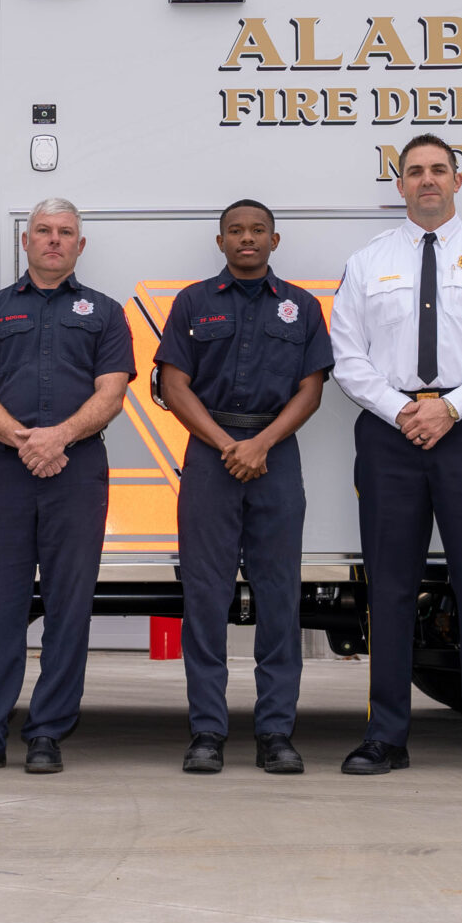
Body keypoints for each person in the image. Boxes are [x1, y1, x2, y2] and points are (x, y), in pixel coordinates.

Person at [330, 133, 462, 780]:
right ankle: (385, 735)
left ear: (458, 178)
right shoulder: (367, 262)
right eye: (414, 171)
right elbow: (348, 356)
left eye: (438, 169)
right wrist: (403, 410)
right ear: (399, 184)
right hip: (391, 433)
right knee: (389, 587)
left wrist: (450, 407)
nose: (427, 180)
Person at [0, 199, 135, 775]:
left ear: (81, 246)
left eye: (66, 233)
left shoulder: (105, 313)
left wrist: (58, 440)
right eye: (44, 232)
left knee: (68, 607)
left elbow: (112, 393)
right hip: (9, 472)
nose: (54, 240)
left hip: (77, 473)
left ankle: (48, 733)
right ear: (25, 242)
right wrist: (26, 441)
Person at [153, 200, 332, 775]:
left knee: (279, 598)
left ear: (274, 241)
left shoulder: (300, 307)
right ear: (220, 240)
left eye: (257, 231)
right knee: (205, 598)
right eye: (236, 231)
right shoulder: (192, 303)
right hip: (210, 459)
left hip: (275, 457)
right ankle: (207, 731)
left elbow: (311, 390)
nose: (246, 239)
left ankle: (276, 733)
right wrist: (225, 444)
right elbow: (173, 384)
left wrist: (260, 444)